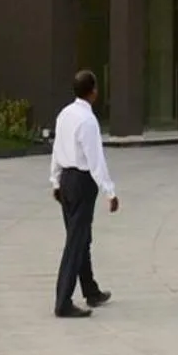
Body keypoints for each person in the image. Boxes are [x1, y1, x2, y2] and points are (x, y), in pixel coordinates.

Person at [49, 70, 117, 317]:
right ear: (94, 91)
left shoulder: (65, 114)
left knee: (81, 237)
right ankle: (63, 301)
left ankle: (91, 290)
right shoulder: (88, 121)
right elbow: (95, 159)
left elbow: (57, 149)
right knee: (76, 242)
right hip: (81, 181)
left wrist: (55, 180)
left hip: (66, 179)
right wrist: (110, 192)